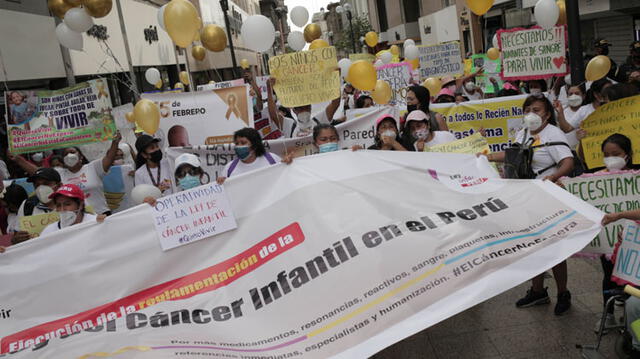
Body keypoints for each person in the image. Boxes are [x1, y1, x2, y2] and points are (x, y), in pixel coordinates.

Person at [483, 95, 574, 315]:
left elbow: (568, 162)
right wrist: (485, 157)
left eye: (536, 109)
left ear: (547, 114)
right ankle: (537, 291)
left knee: (554, 248)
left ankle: (563, 293)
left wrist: (553, 178)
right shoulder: (522, 133)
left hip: (549, 198)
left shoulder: (553, 134)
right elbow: (512, 156)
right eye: (527, 109)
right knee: (533, 245)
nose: (531, 114)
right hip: (527, 198)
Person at [57, 132, 122, 215]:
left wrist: (115, 141)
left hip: (101, 214)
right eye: (66, 154)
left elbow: (109, 157)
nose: (69, 155)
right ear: (63, 160)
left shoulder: (93, 167)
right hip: (77, 218)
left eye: (72, 152)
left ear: (81, 157)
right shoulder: (60, 174)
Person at [266, 77, 341, 138]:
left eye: (307, 107)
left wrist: (336, 79)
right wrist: (269, 90)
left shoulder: (319, 120)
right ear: (294, 110)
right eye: (300, 108)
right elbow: (273, 115)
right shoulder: (289, 125)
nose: (304, 111)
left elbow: (335, 104)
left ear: (310, 108)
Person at [217, 128, 293, 184]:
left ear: (254, 145)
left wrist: (286, 165)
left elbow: (286, 178)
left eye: (243, 143)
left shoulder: (272, 159)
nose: (238, 146)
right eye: (237, 143)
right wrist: (221, 183)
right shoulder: (229, 168)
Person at [11, 168, 62, 244]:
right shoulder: (27, 205)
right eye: (37, 185)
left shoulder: (71, 201)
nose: (40, 188)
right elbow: (16, 236)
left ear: (59, 185)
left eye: (46, 183)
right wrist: (16, 239)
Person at [39, 184, 104, 237]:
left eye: (67, 204)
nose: (62, 209)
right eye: (58, 205)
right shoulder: (49, 232)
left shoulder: (96, 223)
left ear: (80, 204)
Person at [555, 84, 586, 148]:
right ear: (567, 96)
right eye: (570, 94)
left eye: (577, 93)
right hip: (566, 149)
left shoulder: (587, 111)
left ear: (583, 96)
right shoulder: (561, 111)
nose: (573, 96)